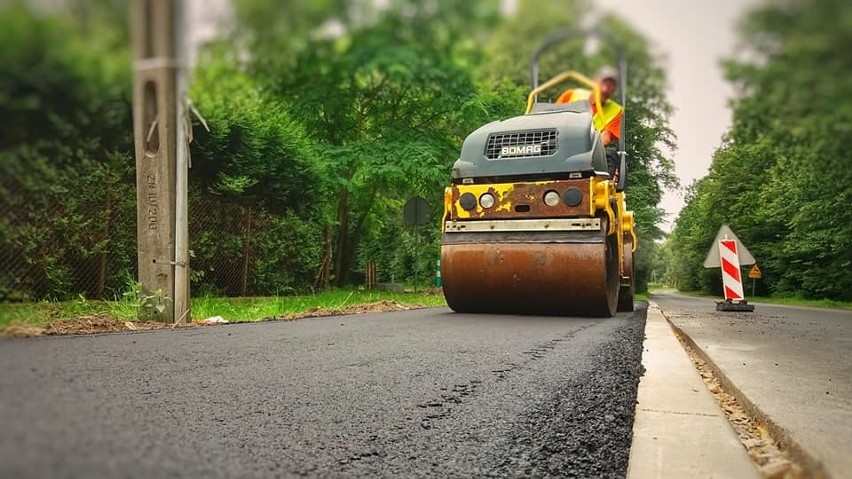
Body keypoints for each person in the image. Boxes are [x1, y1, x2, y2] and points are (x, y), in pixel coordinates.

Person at [556, 66, 624, 177]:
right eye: (604, 83)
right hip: (560, 145)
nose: (606, 89)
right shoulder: (571, 95)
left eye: (611, 86)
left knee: (610, 155)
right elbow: (551, 117)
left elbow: (605, 139)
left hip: (590, 153)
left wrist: (582, 150)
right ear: (594, 81)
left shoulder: (615, 110)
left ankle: (602, 188)